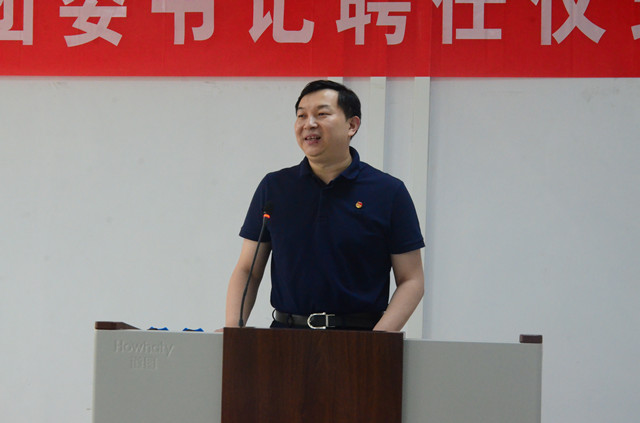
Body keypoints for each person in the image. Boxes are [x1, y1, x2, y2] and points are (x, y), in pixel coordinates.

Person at [224, 80, 424, 331]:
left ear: (352, 125)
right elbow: (248, 269)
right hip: (284, 336)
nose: (309, 124)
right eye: (301, 115)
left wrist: (379, 340)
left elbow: (411, 279)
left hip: (360, 338)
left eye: (321, 114)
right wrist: (233, 329)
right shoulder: (274, 187)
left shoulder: (388, 192)